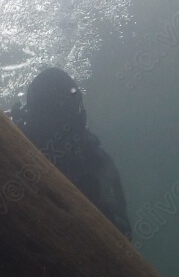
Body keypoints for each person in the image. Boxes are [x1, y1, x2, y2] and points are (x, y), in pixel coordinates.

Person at [8, 68, 132, 239]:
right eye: (58, 114)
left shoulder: (95, 160)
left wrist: (98, 209)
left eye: (71, 110)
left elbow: (124, 235)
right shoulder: (14, 146)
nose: (67, 123)